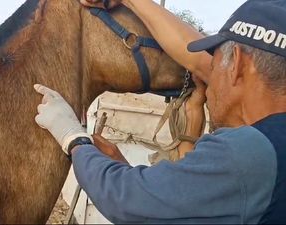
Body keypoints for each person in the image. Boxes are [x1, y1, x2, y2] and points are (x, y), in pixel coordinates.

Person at [34, 0, 286, 223]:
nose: (205, 81)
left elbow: (127, 201)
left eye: (214, 63)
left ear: (239, 63)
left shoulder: (252, 153)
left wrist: (73, 138)